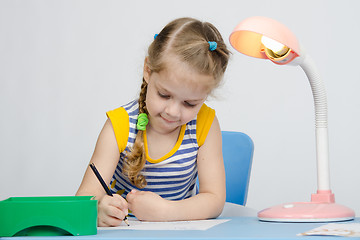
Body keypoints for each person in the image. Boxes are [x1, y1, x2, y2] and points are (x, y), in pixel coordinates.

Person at [76, 17, 230, 227]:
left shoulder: (205, 123)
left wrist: (167, 211)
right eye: (164, 95)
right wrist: (98, 209)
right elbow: (84, 198)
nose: (173, 112)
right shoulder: (119, 125)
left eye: (189, 103)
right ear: (148, 71)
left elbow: (214, 199)